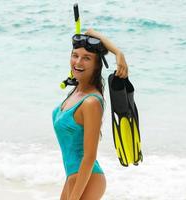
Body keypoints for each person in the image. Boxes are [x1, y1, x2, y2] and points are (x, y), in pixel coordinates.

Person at [52, 28, 128, 200]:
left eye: (86, 58)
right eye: (75, 55)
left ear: (96, 65)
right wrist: (116, 51)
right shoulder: (76, 91)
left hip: (88, 179)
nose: (78, 62)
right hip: (73, 178)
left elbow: (89, 156)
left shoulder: (91, 102)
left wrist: (118, 53)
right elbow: (90, 31)